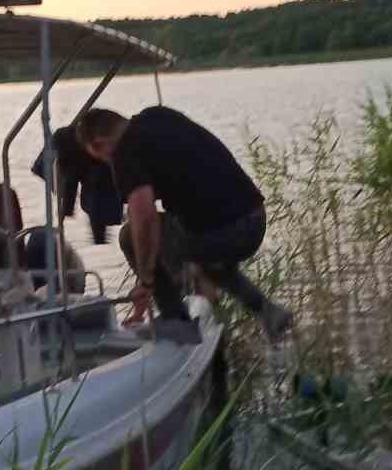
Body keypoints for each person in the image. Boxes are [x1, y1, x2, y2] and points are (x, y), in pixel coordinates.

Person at [74, 105, 293, 343]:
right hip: (253, 218)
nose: (109, 163)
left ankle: (176, 320)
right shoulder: (157, 116)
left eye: (103, 159)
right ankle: (268, 311)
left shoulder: (124, 151)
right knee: (202, 254)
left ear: (99, 144)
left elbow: (144, 219)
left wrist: (147, 281)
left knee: (131, 235)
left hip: (227, 231)